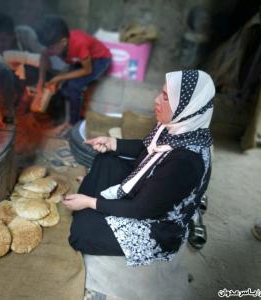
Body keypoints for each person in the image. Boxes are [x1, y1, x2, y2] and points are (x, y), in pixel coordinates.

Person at [62, 70, 215, 266]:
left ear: (186, 106)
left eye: (166, 98)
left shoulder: (185, 161)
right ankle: (92, 201)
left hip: (158, 222)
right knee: (106, 159)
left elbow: (141, 209)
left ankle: (89, 203)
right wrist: (113, 142)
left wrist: (91, 202)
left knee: (82, 232)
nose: (157, 100)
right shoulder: (178, 126)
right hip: (152, 188)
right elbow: (148, 148)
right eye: (161, 92)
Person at [37, 16, 112, 134]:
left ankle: (74, 124)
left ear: (63, 42)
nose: (49, 50)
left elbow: (87, 70)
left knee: (74, 86)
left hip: (99, 60)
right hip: (78, 60)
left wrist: (60, 77)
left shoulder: (79, 44)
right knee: (63, 89)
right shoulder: (56, 44)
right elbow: (43, 55)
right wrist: (40, 81)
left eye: (51, 48)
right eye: (47, 47)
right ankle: (61, 118)